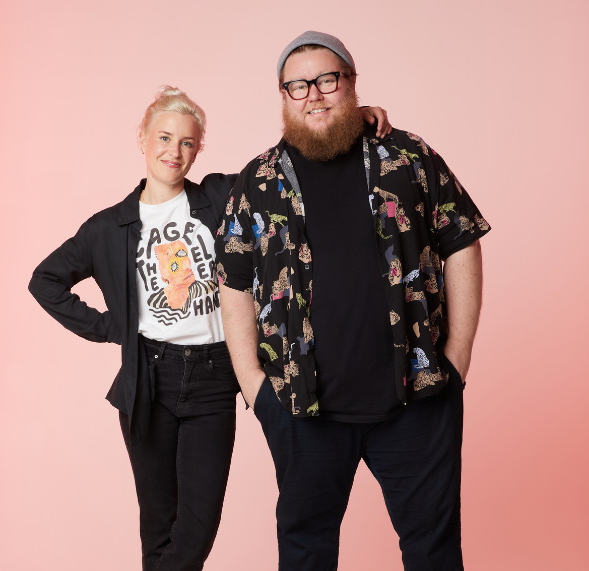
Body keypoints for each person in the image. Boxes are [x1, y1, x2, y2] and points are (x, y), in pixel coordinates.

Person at [28, 85, 392, 571]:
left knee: (198, 523)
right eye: (163, 138)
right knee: (158, 524)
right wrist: (113, 327)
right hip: (149, 378)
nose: (173, 152)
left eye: (187, 142)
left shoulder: (220, 196)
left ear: (199, 149)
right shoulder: (108, 227)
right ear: (142, 139)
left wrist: (338, 118)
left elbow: (281, 170)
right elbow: (45, 280)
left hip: (216, 376)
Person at [215, 31, 491, 571]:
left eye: (327, 79)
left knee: (434, 553)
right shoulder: (258, 182)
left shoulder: (408, 157)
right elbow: (234, 282)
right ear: (283, 96)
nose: (314, 95)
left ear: (351, 82)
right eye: (298, 86)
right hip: (301, 409)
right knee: (305, 554)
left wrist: (457, 357)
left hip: (417, 401)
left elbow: (461, 239)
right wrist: (254, 384)